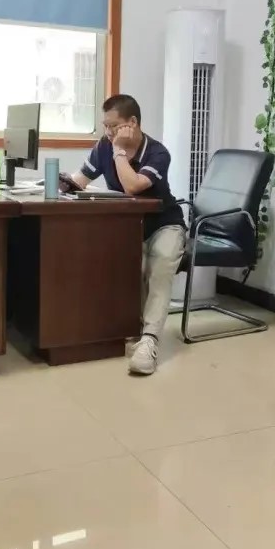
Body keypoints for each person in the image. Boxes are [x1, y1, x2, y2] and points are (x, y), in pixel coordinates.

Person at [69, 94, 186, 376]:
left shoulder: (158, 153)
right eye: (105, 126)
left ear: (132, 123)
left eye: (113, 126)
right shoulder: (103, 146)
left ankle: (150, 341)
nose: (108, 132)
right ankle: (129, 328)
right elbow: (79, 181)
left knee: (160, 264)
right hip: (129, 228)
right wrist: (57, 184)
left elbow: (132, 186)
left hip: (164, 225)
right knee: (120, 265)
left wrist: (119, 151)